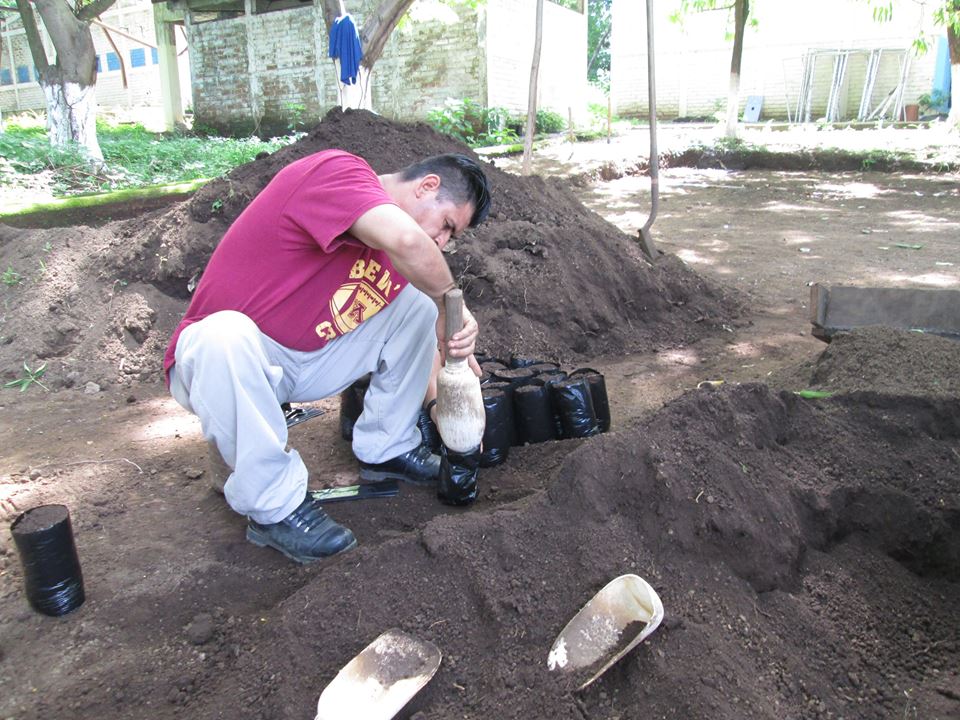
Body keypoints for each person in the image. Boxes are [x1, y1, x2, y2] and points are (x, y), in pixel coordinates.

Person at [164, 150, 491, 564]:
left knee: (419, 307)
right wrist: (451, 303)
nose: (442, 243)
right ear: (427, 186)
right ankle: (275, 507)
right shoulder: (339, 172)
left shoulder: (400, 259)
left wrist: (446, 401)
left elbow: (424, 340)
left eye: (450, 238)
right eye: (446, 226)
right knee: (223, 334)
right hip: (222, 363)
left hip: (304, 361)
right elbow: (409, 241)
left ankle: (387, 448)